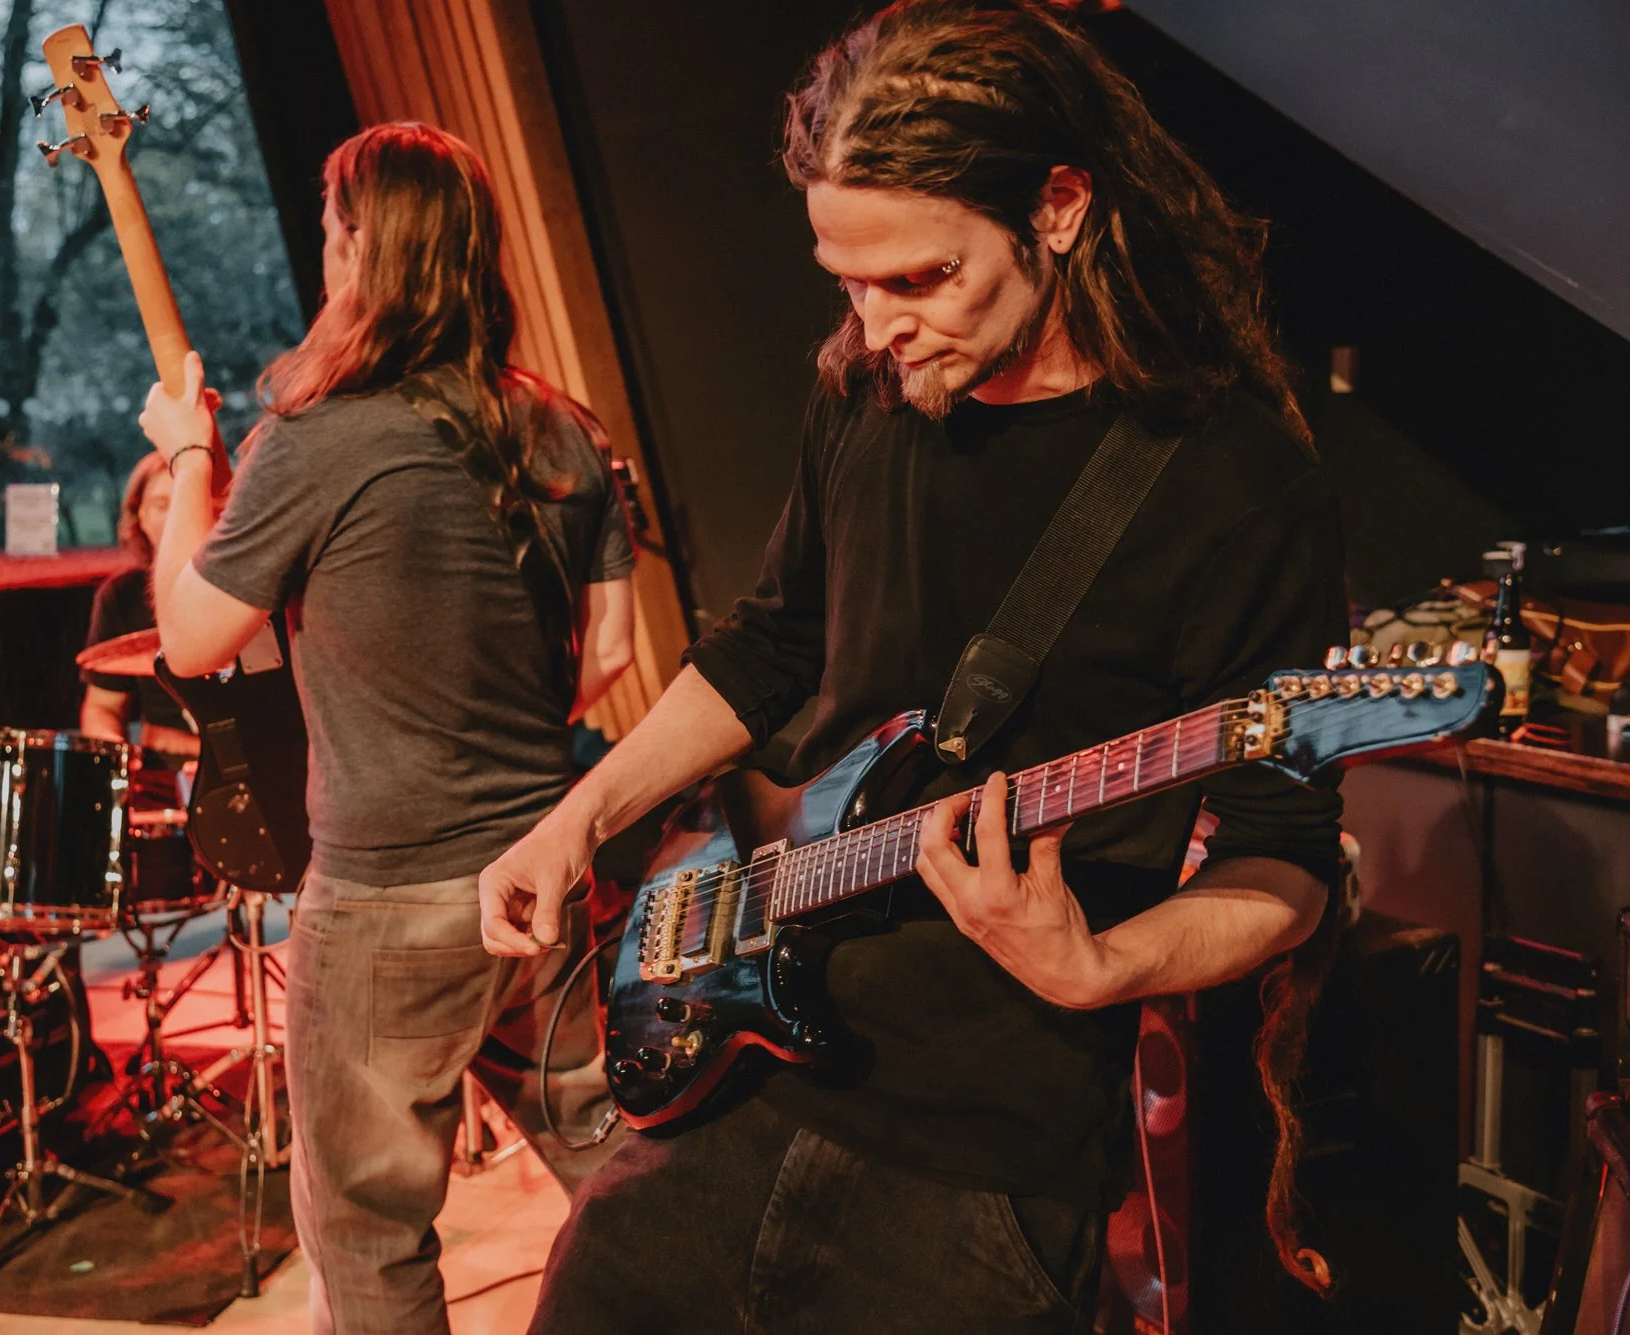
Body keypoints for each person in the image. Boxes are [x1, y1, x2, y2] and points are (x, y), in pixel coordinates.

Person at [481, 2, 1347, 1330]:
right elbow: (771, 640)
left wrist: (1104, 964)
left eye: (920, 280)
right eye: (849, 281)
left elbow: (1285, 859)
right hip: (732, 1088)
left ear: (1058, 207)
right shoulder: (867, 393)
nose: (877, 326)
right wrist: (577, 814)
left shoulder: (1230, 480)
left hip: (985, 1173)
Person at [136, 122, 639, 1335]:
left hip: (382, 901)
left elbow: (192, 640)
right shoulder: (563, 429)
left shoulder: (317, 438)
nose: (322, 249)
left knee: (366, 1238)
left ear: (362, 247)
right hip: (544, 873)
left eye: (329, 227)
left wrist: (191, 455)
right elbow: (615, 655)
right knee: (611, 1178)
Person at [79, 451, 199, 767]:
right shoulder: (121, 595)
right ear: (140, 516)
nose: (175, 516)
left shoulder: (248, 586)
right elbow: (103, 706)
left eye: (187, 502)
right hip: (166, 769)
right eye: (162, 505)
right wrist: (115, 758)